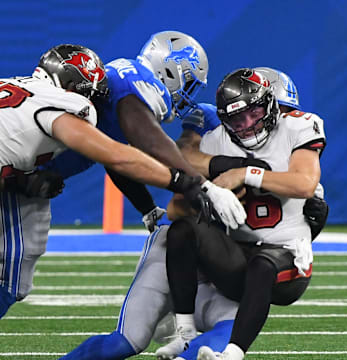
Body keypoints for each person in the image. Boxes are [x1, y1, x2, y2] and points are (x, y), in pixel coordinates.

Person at [0, 43, 233, 319]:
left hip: (13, 178)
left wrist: (147, 207)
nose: (97, 95)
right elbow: (125, 151)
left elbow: (116, 152)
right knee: (13, 277)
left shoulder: (16, 85)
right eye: (92, 89)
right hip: (17, 189)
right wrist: (193, 183)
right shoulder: (73, 103)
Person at [158, 67, 326, 360]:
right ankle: (185, 333)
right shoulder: (215, 142)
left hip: (287, 261)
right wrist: (210, 195)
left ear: (271, 105)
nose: (247, 124)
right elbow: (175, 206)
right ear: (224, 119)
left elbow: (303, 184)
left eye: (254, 112)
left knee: (263, 264)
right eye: (237, 118)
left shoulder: (298, 127)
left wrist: (245, 173)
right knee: (182, 230)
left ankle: (233, 354)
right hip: (238, 258)